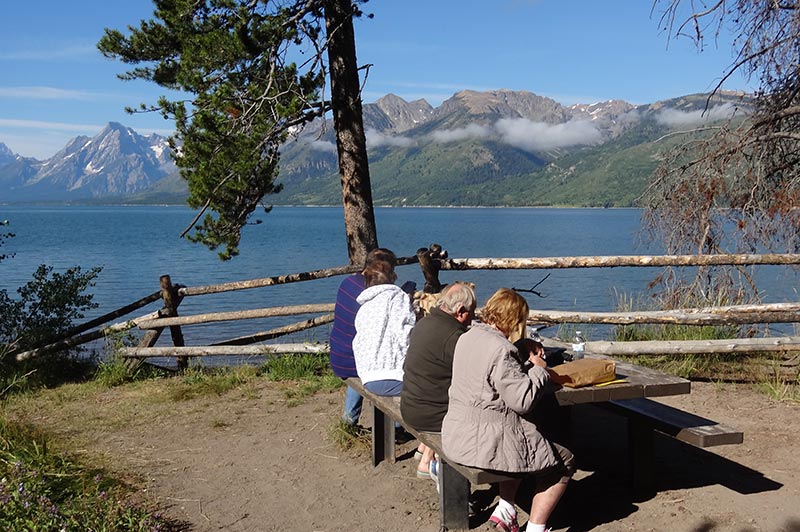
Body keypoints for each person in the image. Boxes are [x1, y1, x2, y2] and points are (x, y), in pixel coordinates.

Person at [442, 288, 574, 532]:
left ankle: (506, 509)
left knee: (521, 443)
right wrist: (538, 369)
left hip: (457, 433)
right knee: (562, 461)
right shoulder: (502, 350)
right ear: (515, 320)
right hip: (483, 442)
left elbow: (490, 371)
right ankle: (536, 527)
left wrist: (520, 347)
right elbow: (522, 400)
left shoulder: (467, 336)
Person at [400, 282, 476, 479]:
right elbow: (476, 377)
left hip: (410, 405)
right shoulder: (454, 337)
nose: (473, 318)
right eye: (471, 313)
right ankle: (442, 470)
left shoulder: (424, 323)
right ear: (460, 311)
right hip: (432, 416)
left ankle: (424, 451)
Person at [329, 247, 397, 426]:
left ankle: (348, 421)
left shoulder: (347, 282)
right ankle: (398, 425)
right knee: (392, 368)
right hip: (355, 363)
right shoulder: (375, 295)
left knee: (362, 360)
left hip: (339, 356)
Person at [352, 260, 416, 396]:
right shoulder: (397, 298)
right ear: (392, 278)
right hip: (394, 375)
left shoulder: (364, 305)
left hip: (367, 376)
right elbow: (405, 334)